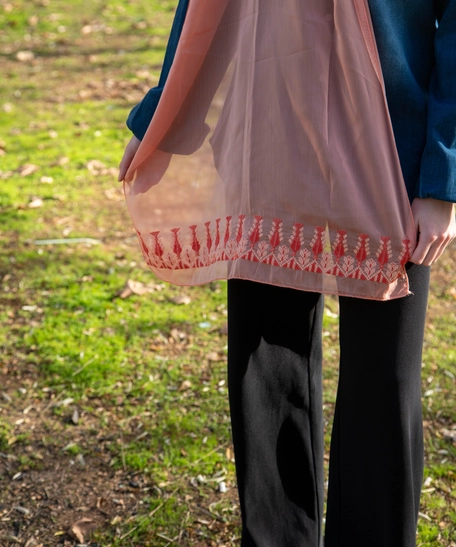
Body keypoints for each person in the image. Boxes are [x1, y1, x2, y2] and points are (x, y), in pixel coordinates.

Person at [118, 1, 456, 545]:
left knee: (385, 376)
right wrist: (165, 111)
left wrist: (445, 171)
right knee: (265, 366)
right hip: (268, 119)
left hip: (396, 136)